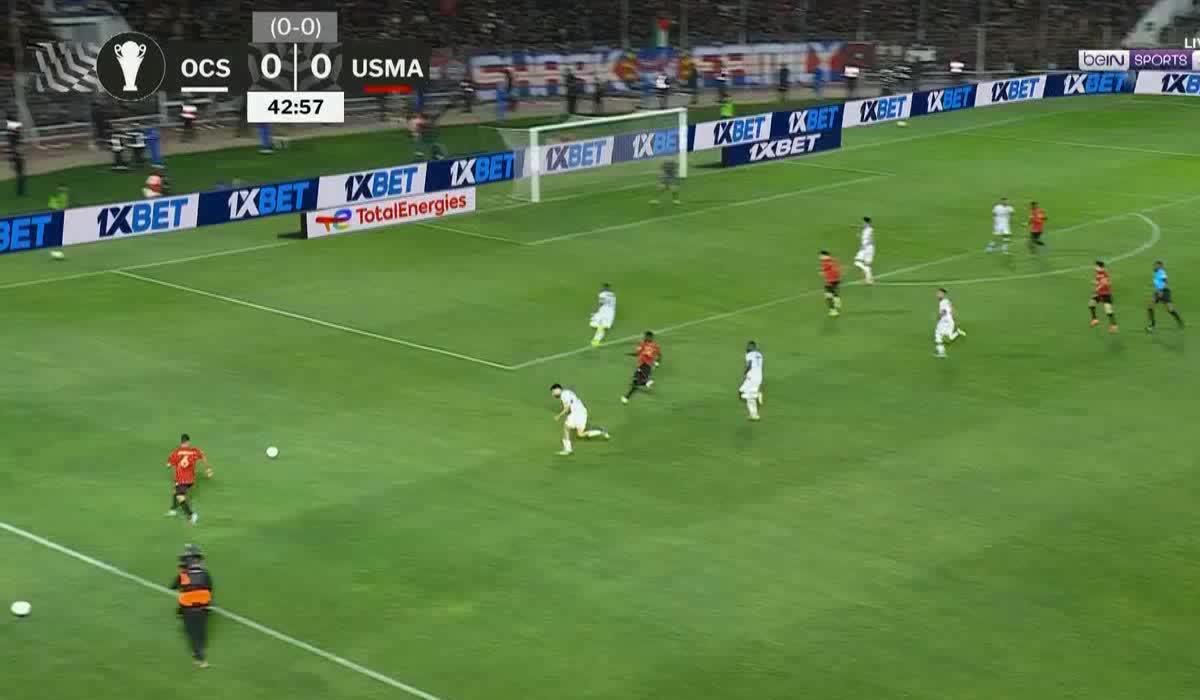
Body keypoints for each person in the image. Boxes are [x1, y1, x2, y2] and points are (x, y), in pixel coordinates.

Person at [170, 544, 213, 668]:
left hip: (188, 610)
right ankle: (201, 648)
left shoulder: (183, 575)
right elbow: (209, 588)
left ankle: (200, 658)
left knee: (192, 633)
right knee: (201, 630)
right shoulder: (205, 573)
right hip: (203, 608)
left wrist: (181, 574)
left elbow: (173, 586)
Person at [166, 434, 212, 525]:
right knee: (175, 490)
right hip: (190, 479)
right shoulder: (194, 451)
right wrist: (208, 469)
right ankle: (173, 510)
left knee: (180, 497)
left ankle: (192, 515)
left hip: (182, 479)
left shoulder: (177, 452)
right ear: (188, 442)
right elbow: (203, 456)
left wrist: (172, 463)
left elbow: (168, 465)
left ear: (181, 442)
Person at [550, 384, 609, 455]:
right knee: (580, 434)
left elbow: (567, 408)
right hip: (581, 412)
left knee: (566, 428)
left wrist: (558, 416)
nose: (553, 394)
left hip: (577, 413)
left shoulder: (563, 395)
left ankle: (567, 450)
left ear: (558, 389)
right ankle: (601, 431)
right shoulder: (568, 392)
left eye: (553, 392)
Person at [622, 332, 662, 404]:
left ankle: (645, 383)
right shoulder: (646, 344)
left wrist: (657, 363)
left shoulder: (648, 345)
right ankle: (627, 397)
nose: (645, 337)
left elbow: (659, 355)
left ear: (650, 337)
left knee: (636, 382)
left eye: (646, 336)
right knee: (635, 382)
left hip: (645, 365)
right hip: (643, 365)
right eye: (645, 336)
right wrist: (657, 362)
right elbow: (638, 353)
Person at [1146, 261, 1184, 332]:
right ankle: (1152, 325)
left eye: (1156, 265)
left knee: (1170, 309)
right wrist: (1157, 288)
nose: (1154, 267)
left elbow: (1166, 281)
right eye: (1154, 265)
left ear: (1160, 266)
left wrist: (1161, 291)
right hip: (1158, 291)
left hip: (1164, 291)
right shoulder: (1156, 272)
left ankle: (1180, 321)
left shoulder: (1161, 272)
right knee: (1150, 307)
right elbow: (1158, 282)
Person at [934, 288, 965, 358]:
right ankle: (957, 332)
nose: (937, 295)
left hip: (945, 321)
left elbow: (944, 311)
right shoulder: (947, 301)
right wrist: (953, 318)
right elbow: (952, 309)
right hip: (950, 321)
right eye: (937, 293)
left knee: (938, 335)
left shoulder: (942, 302)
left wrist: (939, 317)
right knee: (949, 338)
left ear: (943, 294)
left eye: (939, 293)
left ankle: (941, 353)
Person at [739, 341, 764, 421]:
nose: (747, 347)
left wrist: (744, 373)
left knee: (748, 396)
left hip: (752, 377)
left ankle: (754, 414)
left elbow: (749, 365)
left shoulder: (749, 354)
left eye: (749, 346)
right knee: (742, 391)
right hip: (759, 377)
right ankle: (756, 395)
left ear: (752, 347)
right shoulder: (759, 354)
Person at [1089, 261, 1117, 332]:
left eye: (1096, 266)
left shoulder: (1103, 274)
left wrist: (1097, 288)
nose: (1095, 268)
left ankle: (1113, 325)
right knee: (1091, 303)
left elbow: (1105, 283)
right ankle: (1094, 319)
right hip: (1100, 293)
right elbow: (1102, 282)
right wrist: (1096, 283)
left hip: (1106, 294)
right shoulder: (1098, 273)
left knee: (1108, 310)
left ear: (1100, 267)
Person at [853, 216, 875, 284]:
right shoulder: (867, 229)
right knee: (866, 264)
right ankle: (869, 280)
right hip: (869, 248)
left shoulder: (868, 229)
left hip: (866, 248)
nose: (862, 223)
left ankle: (868, 276)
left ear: (865, 222)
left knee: (857, 262)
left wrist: (864, 246)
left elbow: (870, 239)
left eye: (863, 222)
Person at [820, 250, 842, 317]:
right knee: (833, 291)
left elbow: (823, 271)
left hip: (830, 281)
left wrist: (822, 272)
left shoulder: (825, 262)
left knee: (828, 296)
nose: (820, 257)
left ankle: (833, 311)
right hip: (837, 279)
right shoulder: (834, 260)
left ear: (825, 256)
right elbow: (837, 269)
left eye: (821, 256)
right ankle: (837, 299)